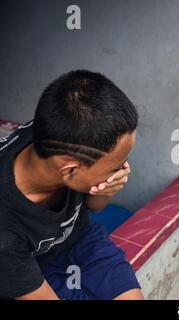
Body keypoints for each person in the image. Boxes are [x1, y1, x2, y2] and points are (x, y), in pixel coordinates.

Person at [0, 70, 144, 300]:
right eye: (115, 167)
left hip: (78, 238)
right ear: (69, 171)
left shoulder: (58, 134)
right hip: (26, 270)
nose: (123, 170)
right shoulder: (5, 231)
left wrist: (108, 188)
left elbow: (94, 207)